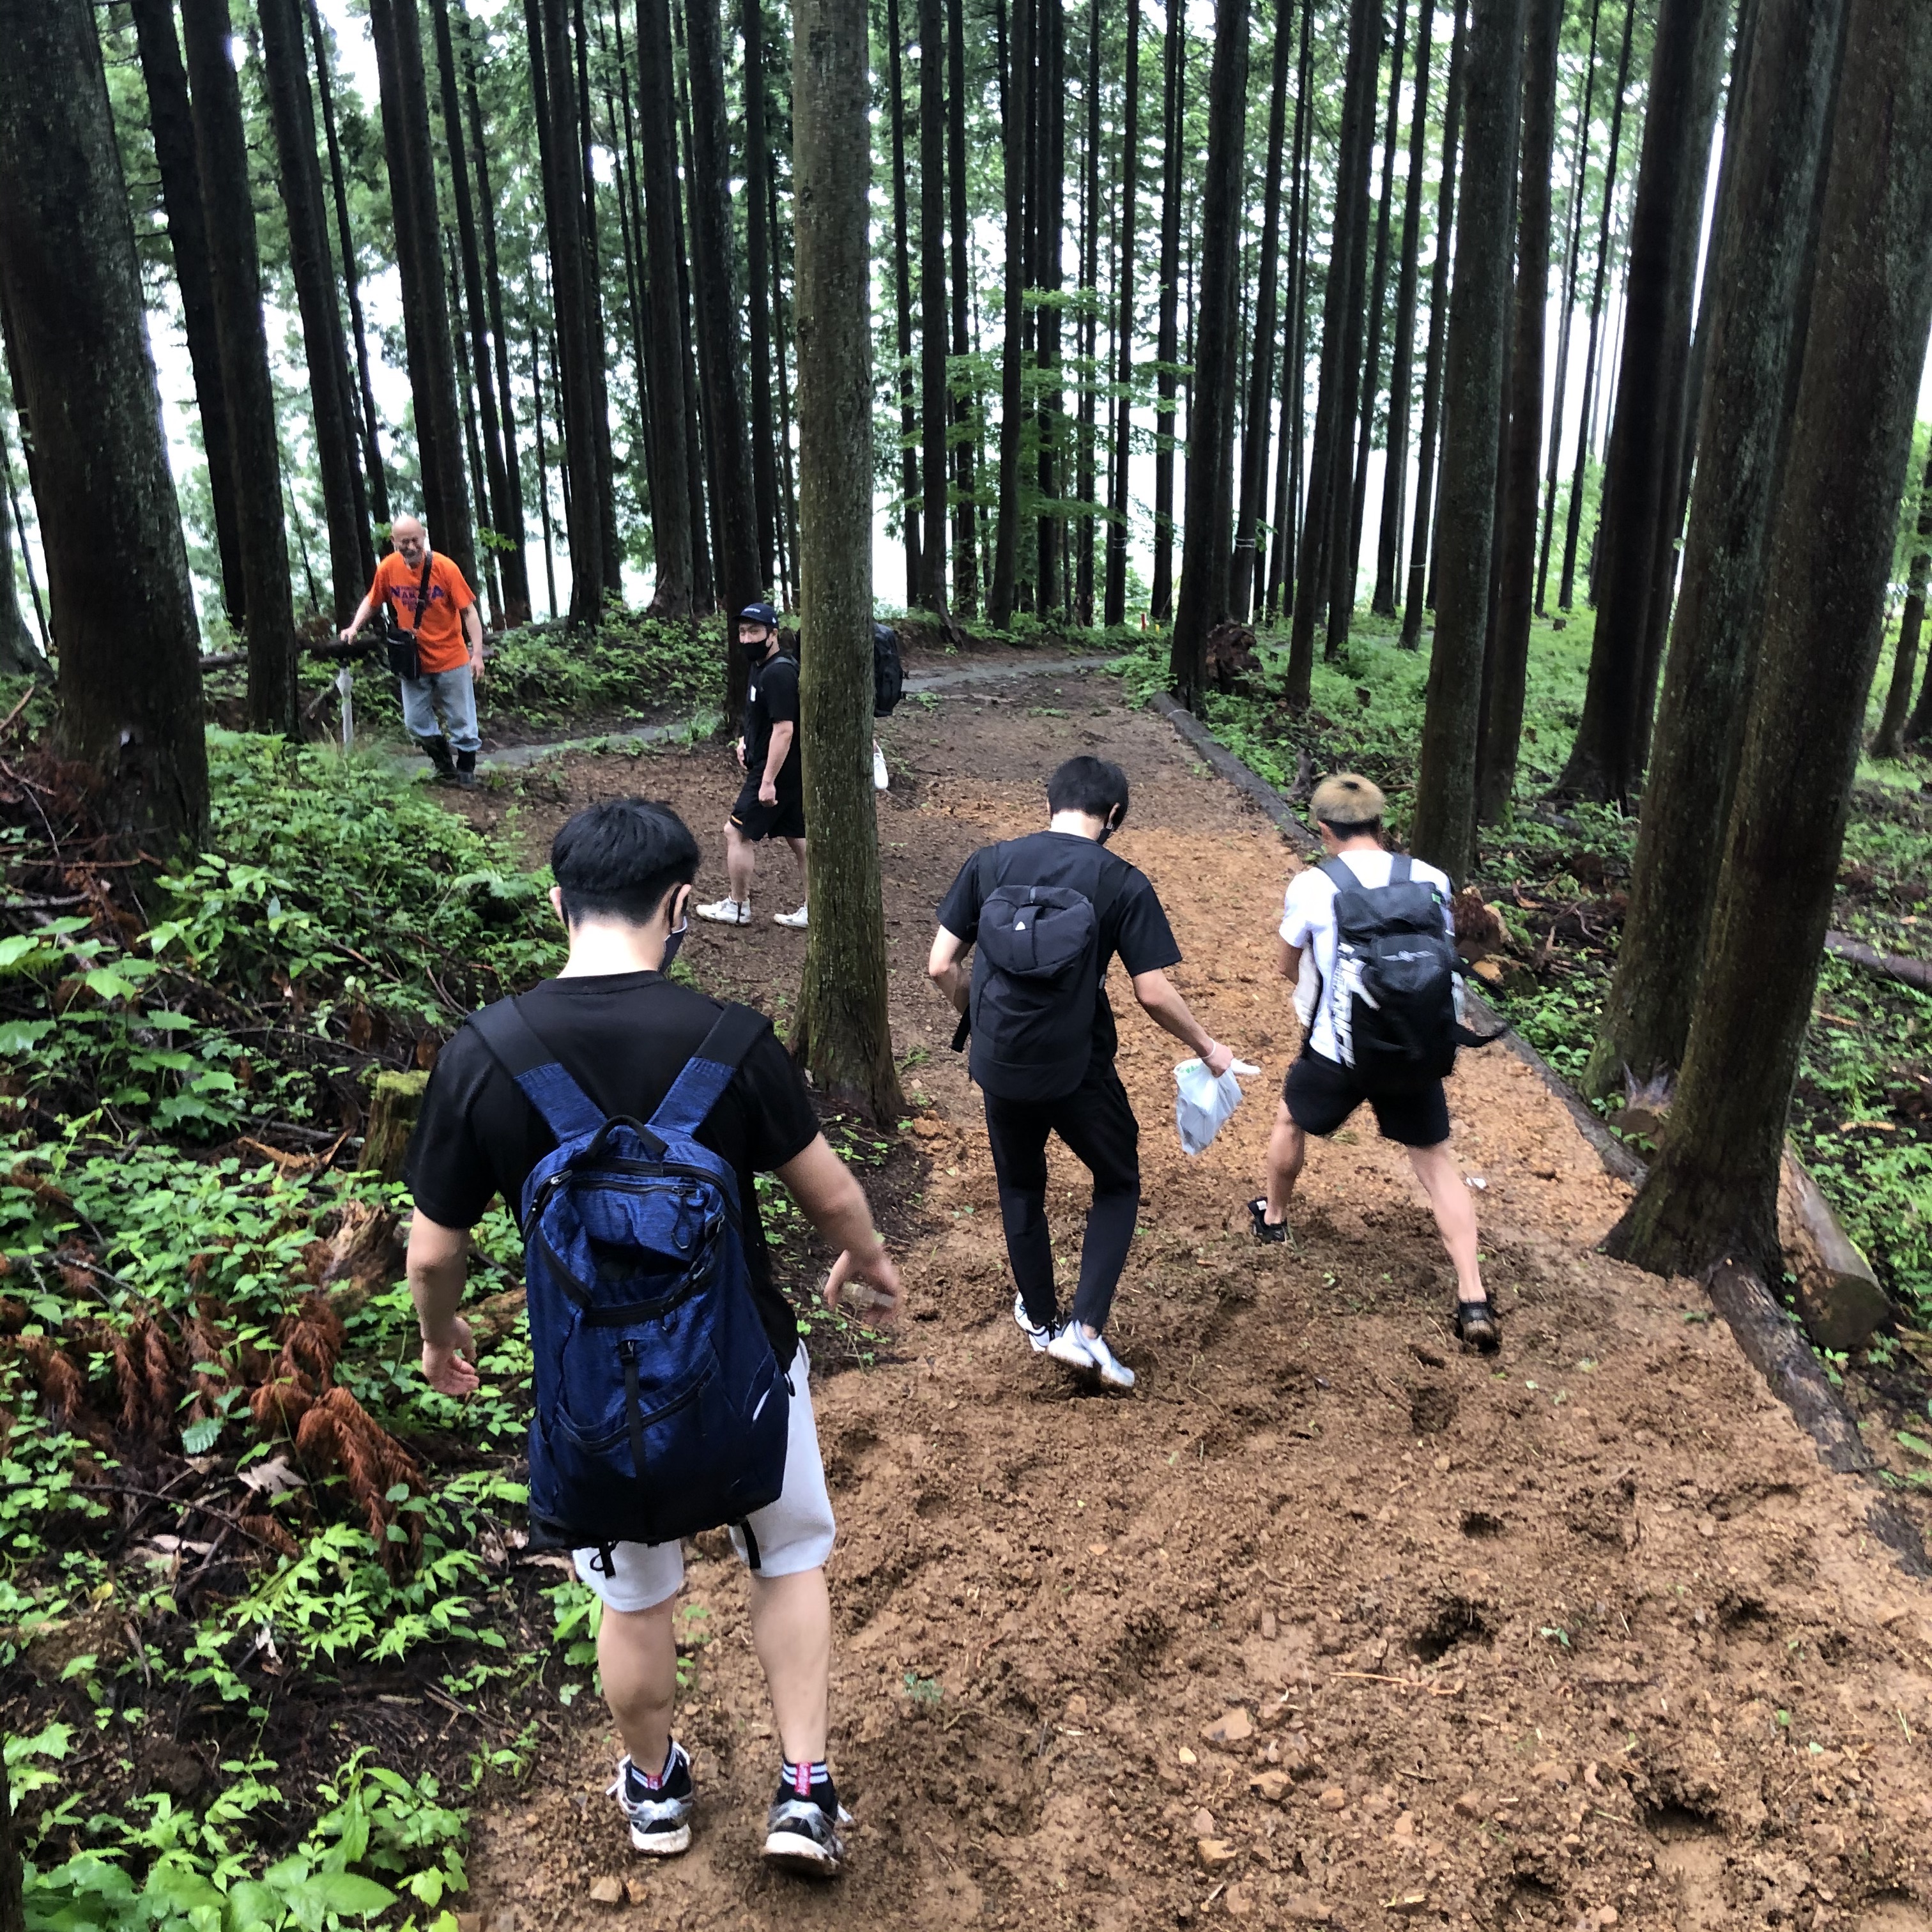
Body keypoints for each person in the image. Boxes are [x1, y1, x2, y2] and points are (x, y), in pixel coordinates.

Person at [404, 799, 902, 1876]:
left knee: (631, 1596)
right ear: (681, 906)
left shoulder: (483, 1054)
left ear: (558, 903)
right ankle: (803, 1791)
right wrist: (865, 1256)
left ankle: (655, 1790)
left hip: (594, 1392)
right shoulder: (732, 1040)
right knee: (789, 1557)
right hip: (747, 1367)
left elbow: (433, 1255)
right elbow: (827, 1193)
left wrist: (439, 1338)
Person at [928, 756, 1234, 1390]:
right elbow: (1151, 992)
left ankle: (1042, 1322)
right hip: (1077, 1066)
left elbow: (940, 966)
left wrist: (981, 1021)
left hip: (1001, 1061)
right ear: (1113, 814)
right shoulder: (1121, 881)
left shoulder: (990, 863)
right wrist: (1208, 1047)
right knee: (1117, 1180)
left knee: (1020, 1186)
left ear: (1051, 802)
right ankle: (1085, 1331)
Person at [1250, 774, 1499, 1352]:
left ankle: (1274, 1219)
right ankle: (1473, 1296)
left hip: (1339, 1049)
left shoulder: (1314, 885)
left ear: (1323, 829)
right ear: (1381, 825)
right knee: (1436, 1163)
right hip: (1415, 1046)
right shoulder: (1431, 878)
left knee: (1291, 1120)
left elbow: (1286, 963)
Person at [339, 515, 487, 788]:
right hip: (413, 661)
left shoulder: (445, 568)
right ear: (393, 542)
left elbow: (469, 612)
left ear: (424, 536)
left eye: (415, 540)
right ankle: (443, 765)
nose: (410, 546)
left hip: (451, 658)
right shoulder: (388, 568)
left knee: (462, 719)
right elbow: (372, 600)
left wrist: (476, 653)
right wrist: (354, 627)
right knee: (415, 721)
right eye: (403, 542)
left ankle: (466, 770)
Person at [696, 604, 808, 929]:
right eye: (742, 632)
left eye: (754, 632)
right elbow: (761, 715)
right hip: (783, 769)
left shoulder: (779, 673)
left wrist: (768, 780)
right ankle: (816, 908)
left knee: (736, 831)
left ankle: (737, 906)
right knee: (798, 837)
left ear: (773, 635)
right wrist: (746, 740)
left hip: (778, 770)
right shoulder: (761, 667)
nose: (746, 639)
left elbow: (785, 729)